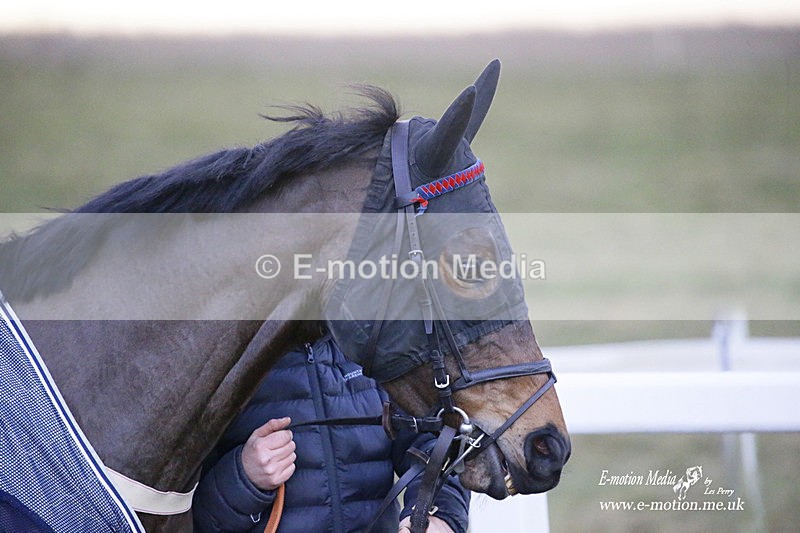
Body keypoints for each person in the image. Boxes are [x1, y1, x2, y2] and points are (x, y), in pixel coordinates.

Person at [192, 335, 470, 532]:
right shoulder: (220, 363)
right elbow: (185, 516)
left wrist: (437, 517)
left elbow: (433, 446)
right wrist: (244, 478)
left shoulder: (372, 347)